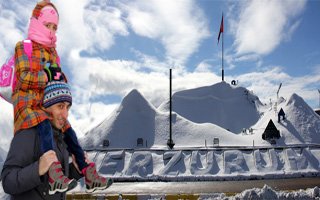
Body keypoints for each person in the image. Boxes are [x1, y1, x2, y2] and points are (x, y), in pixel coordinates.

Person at [11, 0, 111, 195]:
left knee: (68, 130)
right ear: (37, 23)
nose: (51, 30)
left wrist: (59, 77)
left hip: (48, 103)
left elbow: (59, 78)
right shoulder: (24, 47)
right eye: (47, 25)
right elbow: (23, 78)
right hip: (28, 104)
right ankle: (53, 173)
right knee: (44, 124)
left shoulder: (53, 53)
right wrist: (47, 75)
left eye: (54, 27)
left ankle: (87, 172)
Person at [2, 81, 113, 199]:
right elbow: (8, 182)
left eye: (67, 107)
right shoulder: (27, 135)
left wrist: (74, 170)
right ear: (46, 107)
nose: (65, 114)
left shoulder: (61, 139)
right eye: (60, 106)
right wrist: (38, 168)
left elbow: (53, 183)